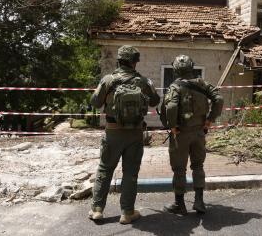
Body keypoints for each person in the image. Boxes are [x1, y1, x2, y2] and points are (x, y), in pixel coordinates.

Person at [89, 45, 160, 224]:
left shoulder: (108, 80)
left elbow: (95, 103)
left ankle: (97, 210)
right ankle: (127, 213)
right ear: (135, 62)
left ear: (119, 60)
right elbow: (155, 101)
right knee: (131, 173)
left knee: (105, 168)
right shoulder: (143, 81)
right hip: (135, 134)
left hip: (112, 132)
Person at [161, 55, 223, 215]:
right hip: (199, 132)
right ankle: (199, 201)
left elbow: (171, 107)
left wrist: (173, 126)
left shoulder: (175, 86)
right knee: (198, 166)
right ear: (192, 67)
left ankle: (179, 204)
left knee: (179, 169)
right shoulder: (202, 83)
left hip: (181, 133)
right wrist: (209, 120)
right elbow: (219, 99)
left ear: (175, 70)